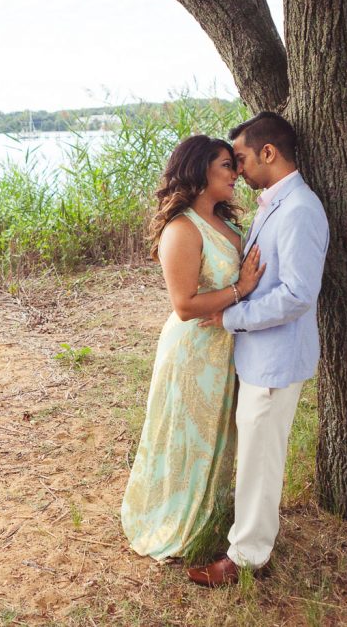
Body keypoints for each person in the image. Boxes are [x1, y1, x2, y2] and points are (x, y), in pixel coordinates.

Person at [188, 112, 329, 586]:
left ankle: (247, 557)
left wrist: (232, 317)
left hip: (276, 357)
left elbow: (297, 293)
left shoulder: (300, 209)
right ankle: (249, 542)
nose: (239, 169)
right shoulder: (275, 203)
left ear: (269, 153)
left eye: (243, 158)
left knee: (261, 459)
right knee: (255, 454)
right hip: (260, 355)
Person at [121, 134, 265, 560]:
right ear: (200, 170)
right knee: (186, 436)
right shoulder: (182, 228)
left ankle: (210, 518)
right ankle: (174, 521)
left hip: (224, 350)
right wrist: (241, 288)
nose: (236, 172)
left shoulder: (226, 223)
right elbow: (184, 305)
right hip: (193, 350)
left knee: (217, 436)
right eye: (226, 165)